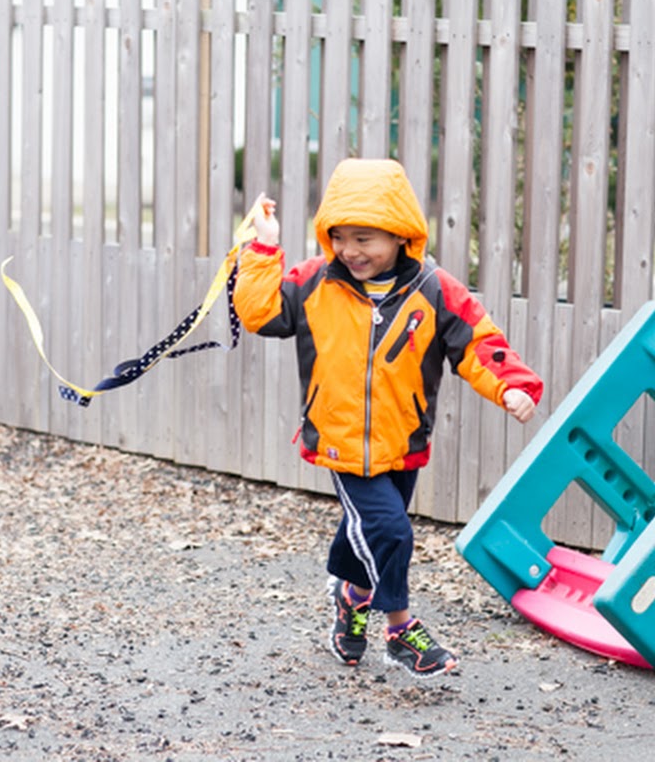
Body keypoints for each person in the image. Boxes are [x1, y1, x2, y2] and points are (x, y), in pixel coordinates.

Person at [233, 158, 543, 678]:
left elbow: (478, 343)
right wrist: (264, 247)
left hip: (403, 441)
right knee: (391, 531)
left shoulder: (434, 288)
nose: (350, 251)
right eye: (340, 238)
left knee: (369, 528)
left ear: (402, 235)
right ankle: (400, 630)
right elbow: (260, 313)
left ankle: (350, 600)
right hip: (342, 439)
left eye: (365, 239)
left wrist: (512, 386)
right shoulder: (314, 283)